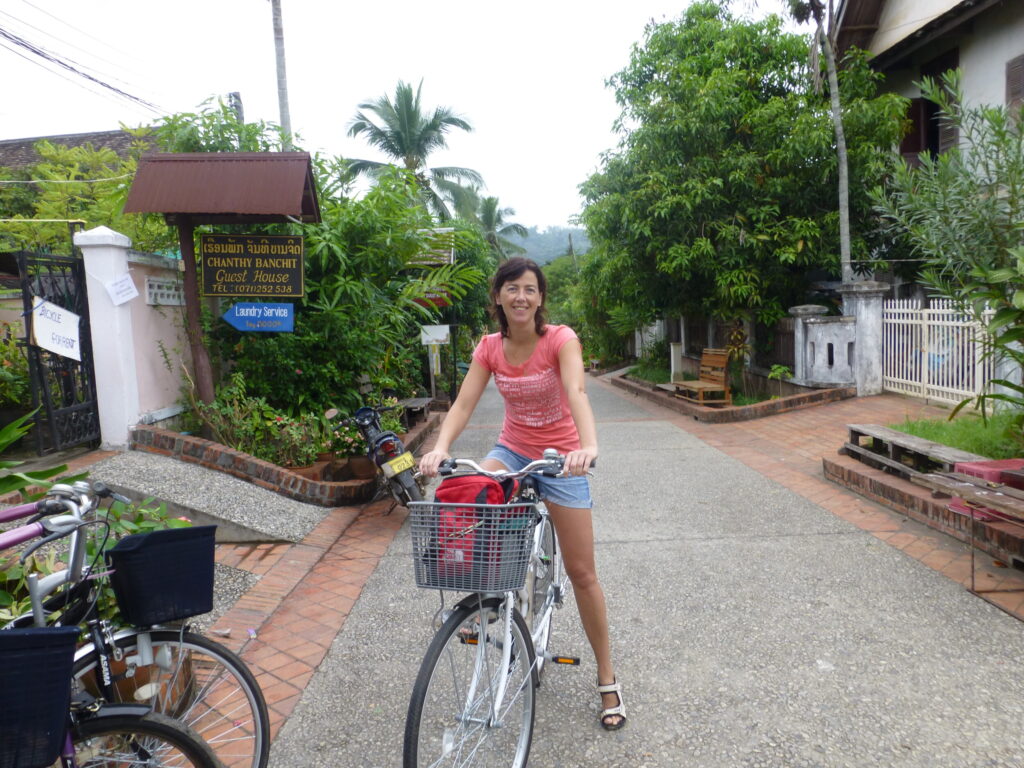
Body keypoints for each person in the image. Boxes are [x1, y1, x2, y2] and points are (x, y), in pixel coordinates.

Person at [419, 256, 626, 731]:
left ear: (540, 298)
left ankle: (607, 676)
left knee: (580, 571)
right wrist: (441, 449)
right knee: (465, 490)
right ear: (498, 296)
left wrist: (587, 445)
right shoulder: (490, 347)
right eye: (512, 288)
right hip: (512, 449)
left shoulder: (560, 339)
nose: (521, 297)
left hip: (561, 458)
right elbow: (465, 401)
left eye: (530, 289)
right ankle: (487, 598)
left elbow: (577, 390)